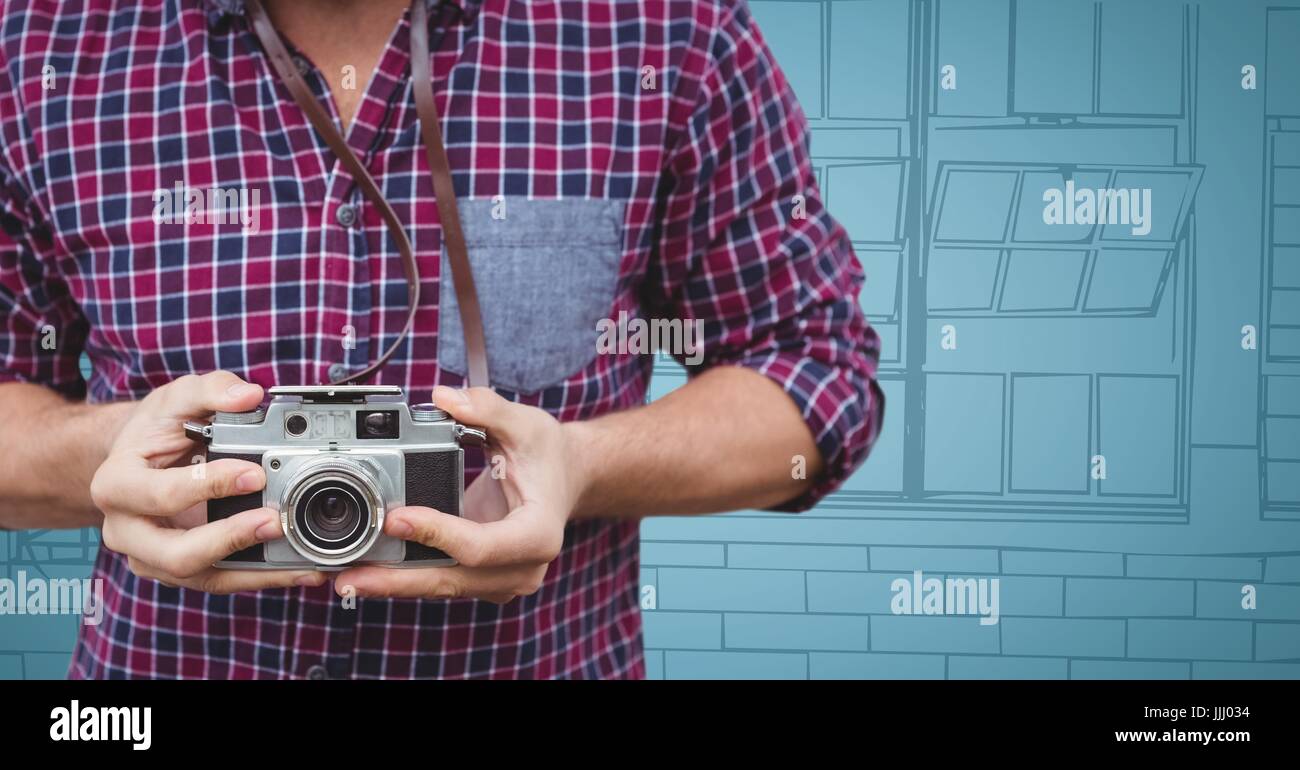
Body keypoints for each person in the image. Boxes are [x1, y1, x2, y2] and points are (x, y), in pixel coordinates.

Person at [0, 0, 883, 678]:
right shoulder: (32, 39)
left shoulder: (667, 29)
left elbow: (816, 373)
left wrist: (577, 467)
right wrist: (114, 456)